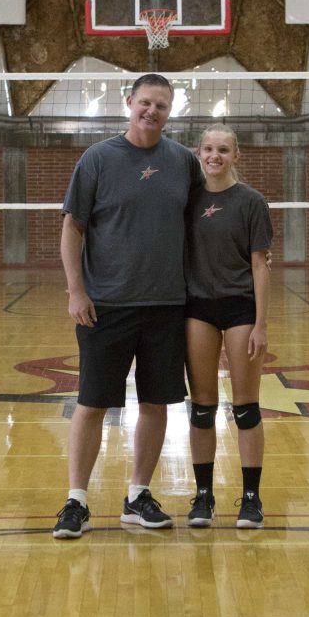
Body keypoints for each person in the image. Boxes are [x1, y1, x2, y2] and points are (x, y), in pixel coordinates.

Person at [54, 73, 203, 539]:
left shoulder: (183, 162)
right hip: (106, 306)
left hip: (166, 306)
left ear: (170, 109)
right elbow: (72, 228)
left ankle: (138, 495)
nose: (151, 111)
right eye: (145, 103)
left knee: (156, 403)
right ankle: (76, 500)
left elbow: (204, 223)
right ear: (128, 103)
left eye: (161, 105)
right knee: (92, 403)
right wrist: (75, 291)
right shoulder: (98, 159)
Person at [184, 127, 273, 529]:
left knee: (246, 407)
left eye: (223, 149)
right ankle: (203, 497)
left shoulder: (251, 201)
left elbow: (260, 265)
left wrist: (261, 324)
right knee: (202, 409)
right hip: (197, 307)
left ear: (237, 154)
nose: (214, 155)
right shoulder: (187, 198)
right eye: (208, 148)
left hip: (240, 308)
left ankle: (251, 499)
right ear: (198, 153)